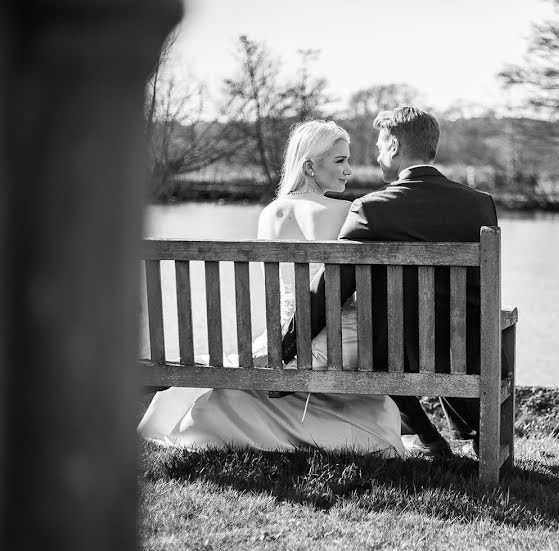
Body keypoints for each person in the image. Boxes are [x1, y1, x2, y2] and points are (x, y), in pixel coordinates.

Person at [138, 121, 405, 457]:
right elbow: (336, 288)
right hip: (333, 338)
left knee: (250, 360)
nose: (349, 170)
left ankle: (181, 380)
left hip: (283, 332)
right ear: (309, 166)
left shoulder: (269, 213)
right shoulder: (342, 211)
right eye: (339, 161)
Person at [282, 107, 502, 455]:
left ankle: (430, 440)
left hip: (397, 355)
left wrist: (290, 344)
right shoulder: (480, 205)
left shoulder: (372, 209)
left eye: (381, 146)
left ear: (395, 146)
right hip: (470, 348)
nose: (378, 155)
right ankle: (472, 438)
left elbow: (331, 287)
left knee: (385, 337)